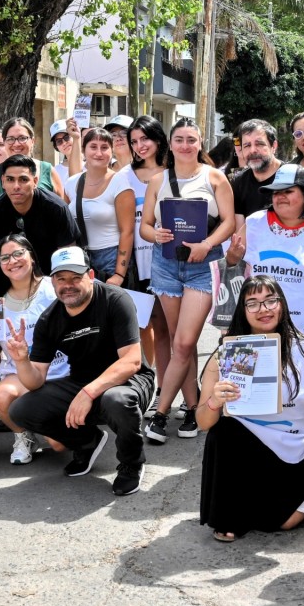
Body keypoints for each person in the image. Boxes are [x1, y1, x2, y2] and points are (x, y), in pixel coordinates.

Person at [196, 277, 304, 541]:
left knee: (283, 523)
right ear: (242, 309)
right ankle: (228, 514)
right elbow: (204, 423)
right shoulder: (229, 353)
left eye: (270, 300)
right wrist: (214, 402)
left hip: (299, 445)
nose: (263, 309)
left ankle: (294, 489)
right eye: (252, 303)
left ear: (282, 304)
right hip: (251, 448)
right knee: (224, 428)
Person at [4, 247, 155, 494]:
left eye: (76, 277)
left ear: (91, 275)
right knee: (21, 409)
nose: (68, 285)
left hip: (129, 380)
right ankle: (87, 442)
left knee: (115, 399)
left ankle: (131, 463)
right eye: (61, 279)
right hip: (83, 382)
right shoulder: (49, 319)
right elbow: (35, 380)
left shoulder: (115, 299)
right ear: (52, 282)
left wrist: (88, 393)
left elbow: (131, 362)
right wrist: (22, 361)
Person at [140, 117, 236, 443]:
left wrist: (207, 244)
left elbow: (227, 224)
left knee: (182, 343)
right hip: (166, 264)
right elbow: (145, 227)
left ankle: (161, 414)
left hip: (202, 266)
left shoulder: (215, 178)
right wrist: (156, 233)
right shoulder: (158, 180)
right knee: (182, 340)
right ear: (170, 143)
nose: (185, 145)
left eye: (191, 140)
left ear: (200, 143)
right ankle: (193, 408)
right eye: (179, 139)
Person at [0, 234, 71, 464]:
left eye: (18, 253)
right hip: (19, 374)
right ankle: (23, 436)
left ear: (31, 255)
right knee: (1, 394)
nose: (12, 261)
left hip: (59, 371)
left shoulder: (54, 287)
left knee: (60, 445)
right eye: (5, 258)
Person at [228, 165, 304, 335]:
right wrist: (232, 257)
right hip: (257, 324)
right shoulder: (254, 223)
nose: (280, 197)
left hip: (302, 326)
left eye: (288, 191)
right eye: (276, 192)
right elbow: (230, 265)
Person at [122, 115, 172, 401]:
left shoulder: (173, 171)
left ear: (158, 138)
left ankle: (170, 387)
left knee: (169, 328)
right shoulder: (124, 175)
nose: (140, 146)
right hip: (137, 265)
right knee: (145, 326)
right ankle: (152, 384)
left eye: (145, 139)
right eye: (134, 141)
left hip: (169, 261)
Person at [0, 154, 80, 295]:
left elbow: (68, 258)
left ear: (35, 181)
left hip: (52, 285)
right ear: (2, 182)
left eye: (23, 179)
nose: (16, 186)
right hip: (11, 286)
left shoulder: (56, 208)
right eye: (10, 180)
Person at [64, 127, 136, 285]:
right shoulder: (71, 183)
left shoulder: (120, 183)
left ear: (112, 151)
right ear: (84, 150)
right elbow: (65, 225)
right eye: (93, 147)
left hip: (111, 259)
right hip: (81, 258)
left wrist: (119, 273)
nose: (99, 153)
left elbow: (127, 232)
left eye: (104, 148)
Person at [0, 118, 67, 199]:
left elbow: (61, 206)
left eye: (22, 138)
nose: (16, 144)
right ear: (4, 142)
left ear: (33, 141)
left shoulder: (47, 170)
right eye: (10, 139)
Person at [229, 119, 282, 226]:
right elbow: (240, 228)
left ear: (274, 146)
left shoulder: (293, 176)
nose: (253, 150)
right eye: (247, 145)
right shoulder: (238, 182)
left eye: (259, 144)